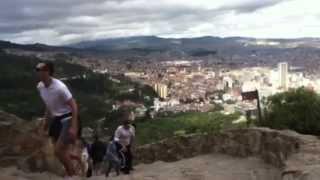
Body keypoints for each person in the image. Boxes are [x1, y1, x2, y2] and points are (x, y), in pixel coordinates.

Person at [36, 62, 80, 179]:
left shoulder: (60, 87)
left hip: (68, 117)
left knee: (58, 150)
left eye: (42, 69)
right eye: (38, 69)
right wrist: (46, 122)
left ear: (49, 72)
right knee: (60, 150)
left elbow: (74, 105)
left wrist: (74, 126)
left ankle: (72, 175)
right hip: (57, 118)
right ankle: (74, 160)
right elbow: (48, 105)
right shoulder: (40, 87)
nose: (39, 72)